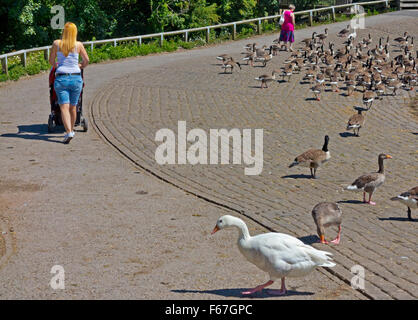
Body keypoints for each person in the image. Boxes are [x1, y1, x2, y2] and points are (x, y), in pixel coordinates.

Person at [49, 22, 89, 144]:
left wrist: (58, 65)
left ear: (64, 32)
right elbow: (86, 60)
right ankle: (71, 130)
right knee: (73, 106)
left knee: (63, 107)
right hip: (76, 78)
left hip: (62, 78)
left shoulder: (57, 43)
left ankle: (69, 132)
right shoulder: (79, 45)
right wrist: (80, 65)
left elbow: (51, 61)